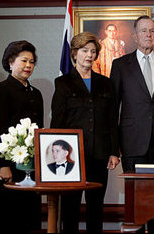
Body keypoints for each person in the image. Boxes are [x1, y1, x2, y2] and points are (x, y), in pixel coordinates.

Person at [110, 15, 154, 233]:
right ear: (135, 35)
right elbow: (114, 108)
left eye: (152, 31)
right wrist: (114, 147)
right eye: (143, 31)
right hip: (132, 143)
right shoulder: (120, 65)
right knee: (135, 199)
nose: (148, 35)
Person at [51, 31, 120, 234]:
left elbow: (111, 120)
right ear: (74, 53)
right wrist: (57, 154)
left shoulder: (106, 83)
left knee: (95, 206)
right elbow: (58, 122)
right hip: (71, 155)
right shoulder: (62, 83)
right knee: (70, 207)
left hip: (100, 153)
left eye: (92, 51)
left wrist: (114, 151)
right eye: (84, 50)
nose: (89, 55)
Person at [0, 40, 43, 232]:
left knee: (31, 215)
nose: (29, 66)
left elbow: (39, 130)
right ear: (11, 62)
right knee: (9, 215)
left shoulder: (36, 94)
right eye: (24, 61)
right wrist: (4, 165)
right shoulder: (0, 89)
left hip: (31, 165)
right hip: (8, 163)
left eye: (32, 62)